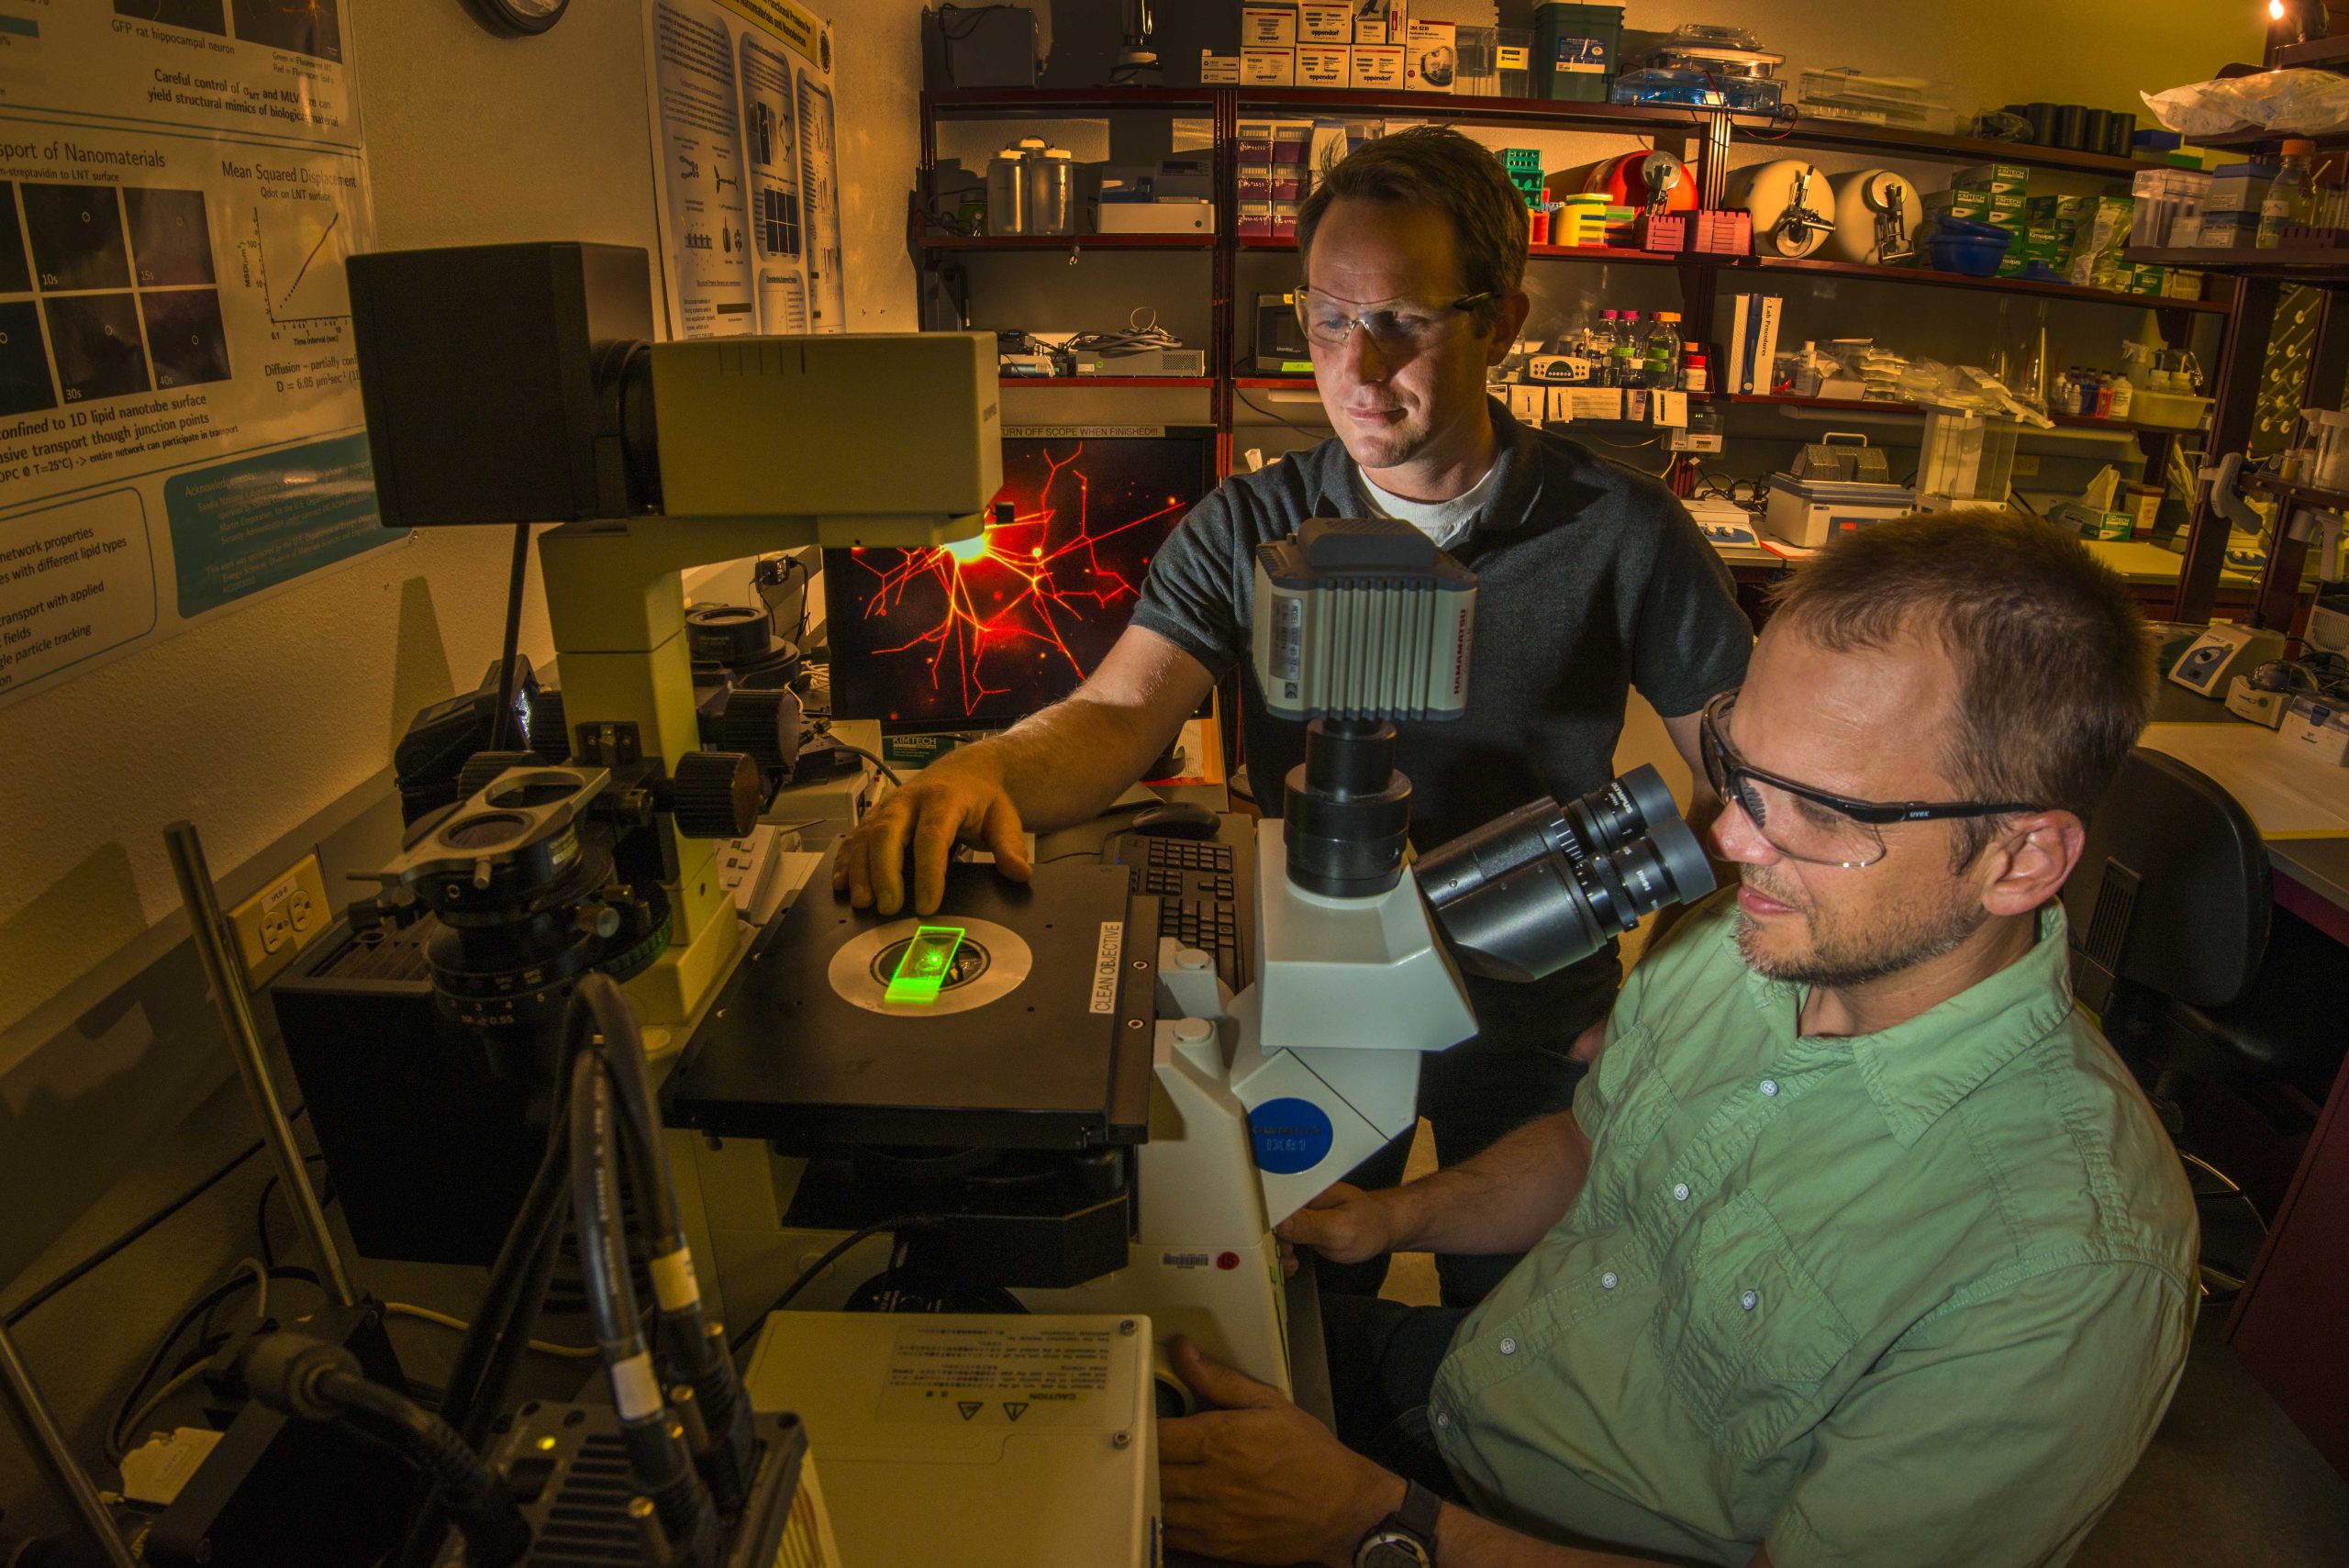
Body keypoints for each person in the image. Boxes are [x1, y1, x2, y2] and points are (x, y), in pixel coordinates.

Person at [1157, 510, 2199, 1568]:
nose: (1732, 839)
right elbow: (1593, 1144)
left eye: (1822, 813)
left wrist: (1370, 1520)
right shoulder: (1745, 945)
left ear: (2019, 860)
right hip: (1474, 1389)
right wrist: (1392, 1218)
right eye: (1741, 770)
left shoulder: (2063, 1262)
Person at [833, 127, 1751, 1305]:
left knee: (1517, 1327)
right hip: (1316, 996)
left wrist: (1674, 991)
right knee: (1297, 1299)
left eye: (1404, 322)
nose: (1358, 369)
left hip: (1535, 1008)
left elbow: (1748, 785)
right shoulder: (1245, 524)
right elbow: (1120, 713)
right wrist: (979, 775)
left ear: (1500, 323)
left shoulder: (1622, 530)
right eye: (1328, 318)